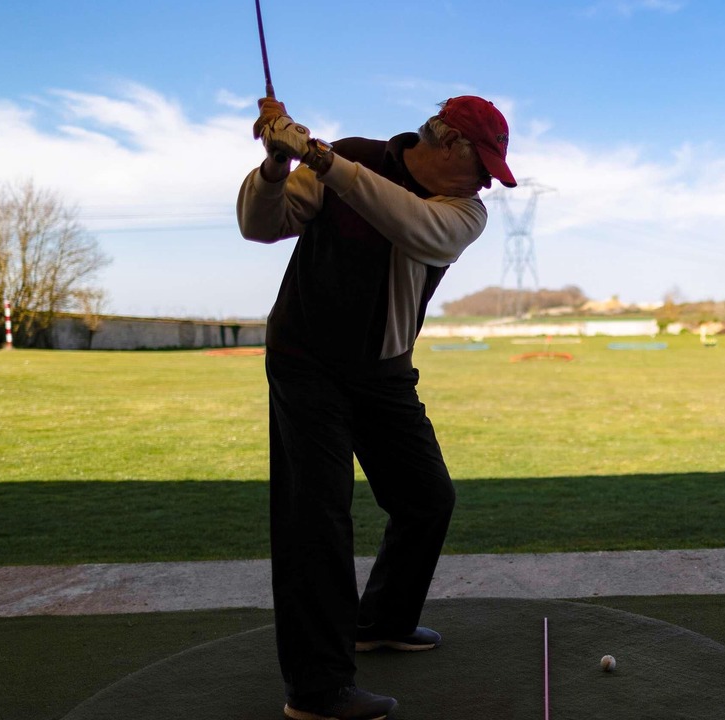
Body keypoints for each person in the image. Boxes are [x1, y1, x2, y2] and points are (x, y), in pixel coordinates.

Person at [237, 95, 516, 720]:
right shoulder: (356, 159)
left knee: (426, 498)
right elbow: (262, 224)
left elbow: (413, 226)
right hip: (305, 361)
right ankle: (317, 688)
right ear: (448, 144)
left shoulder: (462, 211)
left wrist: (321, 157)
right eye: (483, 166)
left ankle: (381, 621)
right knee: (317, 517)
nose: (486, 185)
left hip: (382, 372)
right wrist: (279, 167)